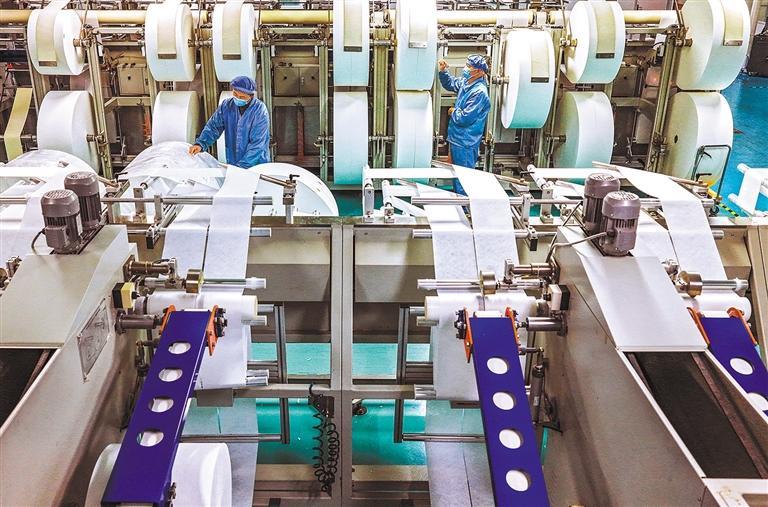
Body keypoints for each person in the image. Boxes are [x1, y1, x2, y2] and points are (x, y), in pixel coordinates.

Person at [189, 75, 270, 168]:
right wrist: (200, 144)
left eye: (242, 97)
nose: (238, 98)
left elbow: (257, 144)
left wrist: (241, 167)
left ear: (251, 96)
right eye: (235, 94)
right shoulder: (227, 105)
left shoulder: (259, 111)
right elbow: (213, 127)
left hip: (256, 163)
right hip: (234, 161)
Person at [437, 54, 491, 194]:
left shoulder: (479, 92)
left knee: (464, 180)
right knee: (457, 175)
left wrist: (453, 111)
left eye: (469, 66)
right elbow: (451, 83)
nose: (466, 68)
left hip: (466, 142)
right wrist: (443, 71)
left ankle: (465, 206)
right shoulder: (467, 82)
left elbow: (465, 118)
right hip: (457, 138)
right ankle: (460, 203)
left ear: (479, 71)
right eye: (466, 65)